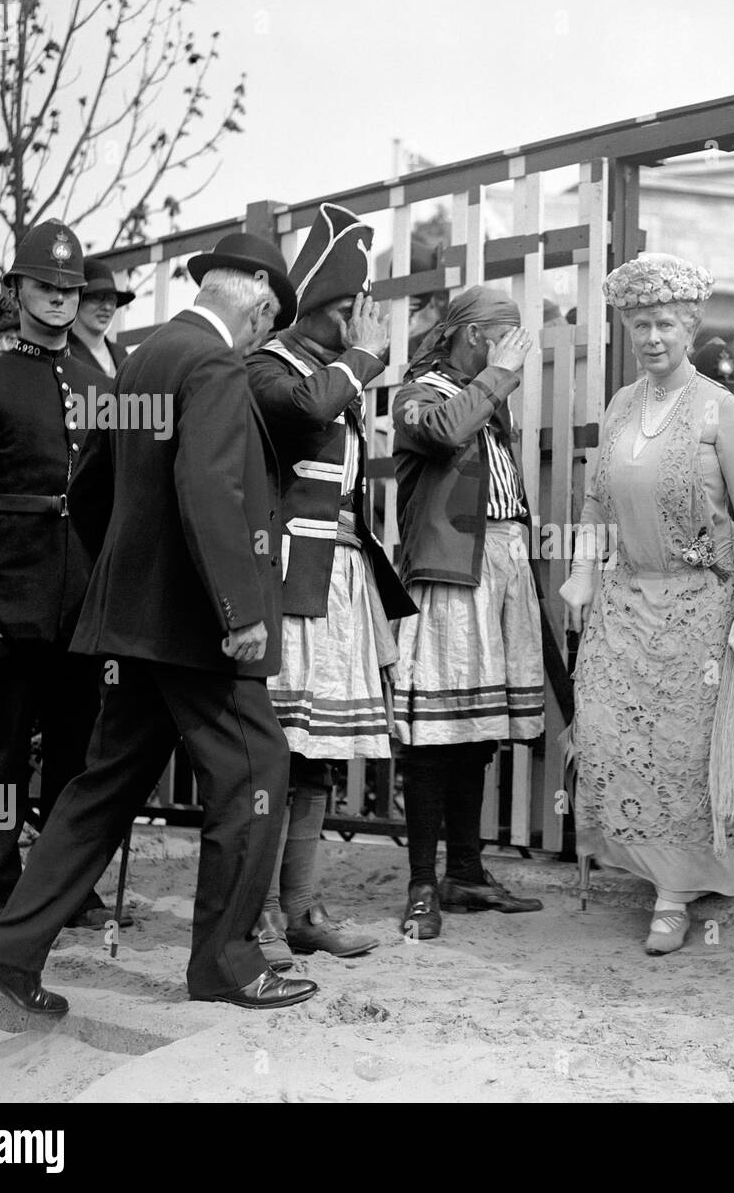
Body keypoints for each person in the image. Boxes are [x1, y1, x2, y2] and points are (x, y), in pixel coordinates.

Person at [0, 231, 316, 1014]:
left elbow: (89, 489)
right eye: (268, 320)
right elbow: (210, 487)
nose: (263, 333)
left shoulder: (143, 359)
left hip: (131, 620)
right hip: (196, 626)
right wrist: (240, 610)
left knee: (102, 787)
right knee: (258, 770)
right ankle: (226, 959)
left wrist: (127, 577)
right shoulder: (214, 362)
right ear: (257, 302)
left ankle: (5, 942)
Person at [559, 253, 734, 955]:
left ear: (687, 326)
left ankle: (676, 892)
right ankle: (635, 858)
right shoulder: (622, 405)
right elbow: (595, 499)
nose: (651, 337)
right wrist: (583, 573)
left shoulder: (724, 410)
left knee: (682, 746)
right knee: (613, 731)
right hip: (625, 599)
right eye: (639, 324)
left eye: (663, 323)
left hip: (697, 603)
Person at [0, 220, 117, 932]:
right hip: (4, 600)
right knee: (0, 764)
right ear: (17, 290)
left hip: (80, 603)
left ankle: (66, 892)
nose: (62, 298)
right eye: (47, 285)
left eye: (72, 287)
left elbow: (118, 496)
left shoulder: (104, 386)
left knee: (76, 758)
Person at [245, 203, 414, 966]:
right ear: (311, 305)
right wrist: (365, 359)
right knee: (270, 752)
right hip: (285, 581)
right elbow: (306, 412)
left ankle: (303, 906)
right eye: (349, 306)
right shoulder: (267, 367)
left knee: (314, 756)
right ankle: (253, 919)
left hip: (336, 579)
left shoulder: (331, 370)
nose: (361, 318)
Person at [390, 285, 546, 940]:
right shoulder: (417, 391)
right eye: (503, 335)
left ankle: (467, 872)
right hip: (451, 573)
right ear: (475, 335)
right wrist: (500, 375)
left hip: (500, 566)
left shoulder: (487, 392)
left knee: (479, 730)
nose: (513, 349)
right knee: (434, 738)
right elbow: (444, 432)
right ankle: (423, 882)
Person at [66, 257, 134, 376]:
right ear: (77, 301)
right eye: (97, 298)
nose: (107, 307)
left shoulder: (121, 355)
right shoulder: (62, 353)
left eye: (112, 300)